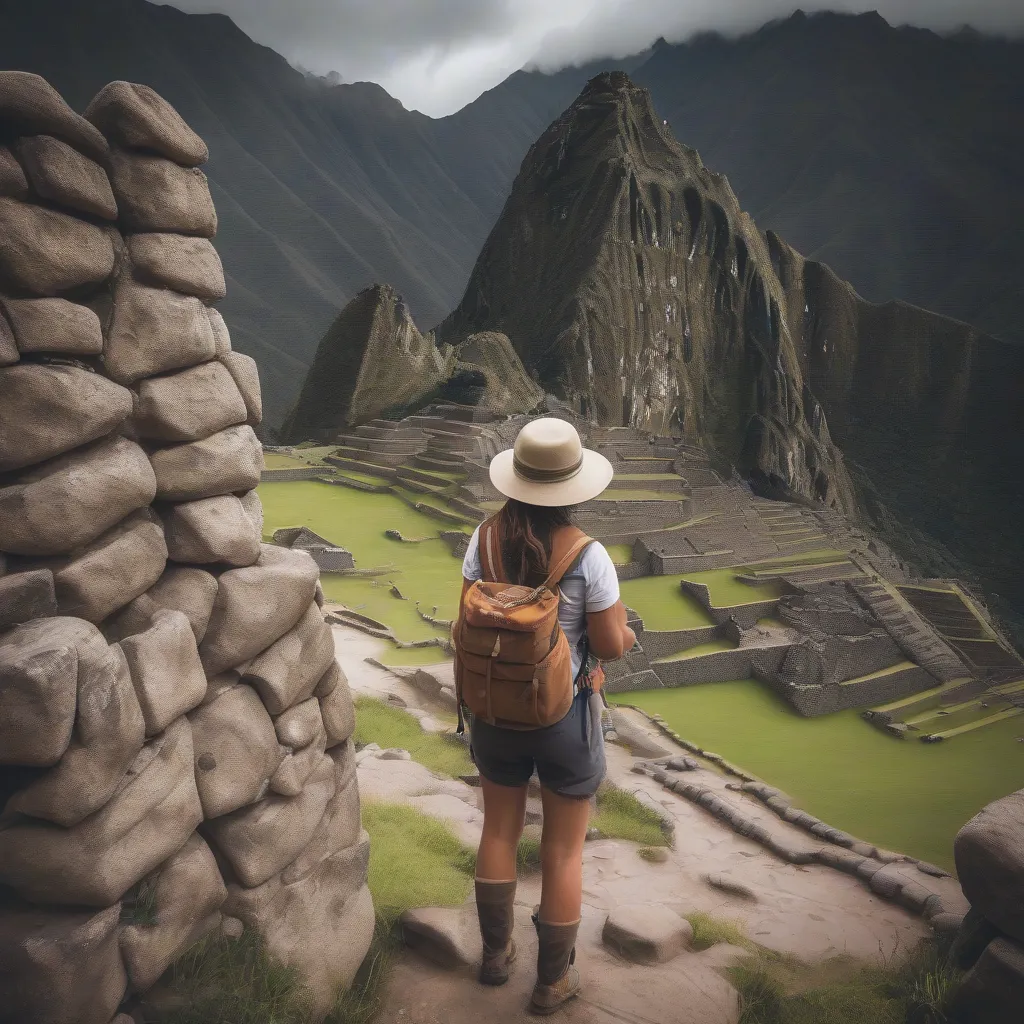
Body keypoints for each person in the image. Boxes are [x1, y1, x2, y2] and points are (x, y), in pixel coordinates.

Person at [457, 417, 637, 1015]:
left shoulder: (481, 541)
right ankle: (552, 983)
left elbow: (468, 621)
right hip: (567, 715)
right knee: (562, 851)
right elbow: (609, 646)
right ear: (574, 488)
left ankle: (493, 956)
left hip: (493, 709)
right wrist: (627, 633)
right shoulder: (590, 557)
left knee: (498, 830)